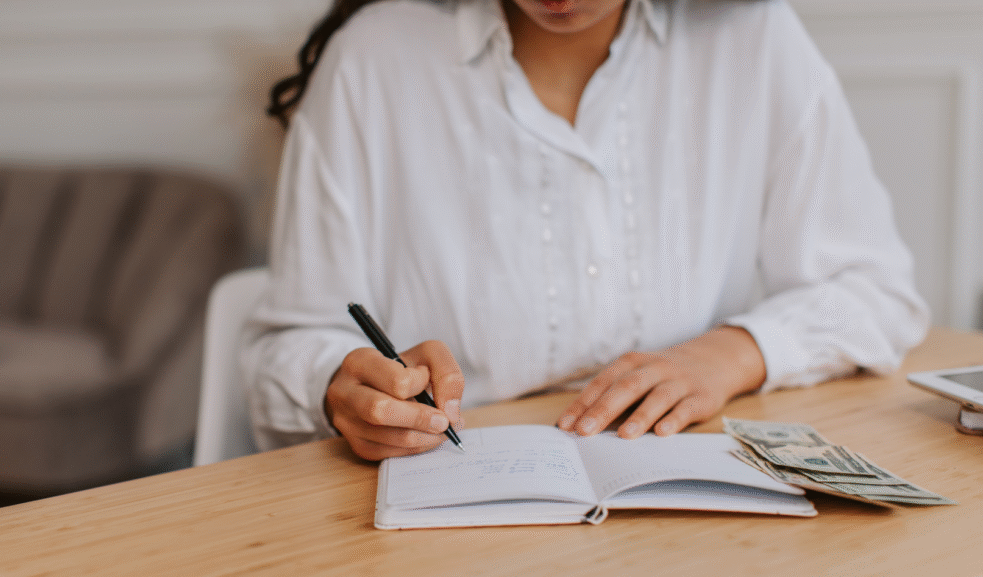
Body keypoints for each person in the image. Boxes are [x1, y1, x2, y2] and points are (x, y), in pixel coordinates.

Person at [242, 0, 930, 461]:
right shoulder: (374, 60)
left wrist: (733, 352)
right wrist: (339, 386)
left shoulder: (754, 38)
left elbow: (876, 290)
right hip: (450, 503)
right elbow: (289, 344)